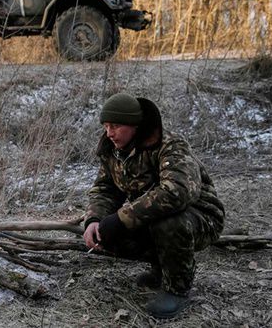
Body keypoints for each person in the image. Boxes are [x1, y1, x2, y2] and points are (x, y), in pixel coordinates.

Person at [82, 93, 225, 319]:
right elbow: (104, 189)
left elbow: (177, 192)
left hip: (201, 217)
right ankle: (161, 270)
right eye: (106, 126)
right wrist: (94, 220)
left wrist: (122, 218)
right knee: (111, 233)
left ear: (135, 126)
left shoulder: (169, 145)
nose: (109, 133)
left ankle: (177, 289)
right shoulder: (112, 151)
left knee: (167, 222)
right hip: (155, 217)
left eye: (116, 126)